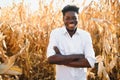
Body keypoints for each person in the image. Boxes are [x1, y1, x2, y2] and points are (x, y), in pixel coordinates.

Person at [47, 5, 96, 80]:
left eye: (74, 18)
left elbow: (90, 62)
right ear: (63, 19)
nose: (71, 21)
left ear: (78, 19)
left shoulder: (85, 35)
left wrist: (61, 58)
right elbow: (51, 59)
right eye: (67, 18)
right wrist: (78, 56)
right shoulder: (56, 34)